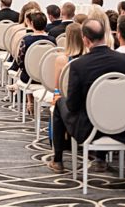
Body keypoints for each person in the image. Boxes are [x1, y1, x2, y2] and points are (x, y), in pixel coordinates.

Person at [53, 20, 125, 171]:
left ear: (85, 40)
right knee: (107, 104)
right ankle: (100, 158)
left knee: (60, 103)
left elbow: (72, 105)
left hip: (89, 130)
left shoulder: (78, 65)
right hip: (121, 126)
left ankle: (58, 160)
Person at [47, 23, 86, 173]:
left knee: (58, 104)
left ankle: (58, 157)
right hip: (86, 103)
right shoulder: (88, 58)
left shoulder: (61, 59)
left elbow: (57, 87)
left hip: (68, 104)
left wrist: (54, 101)